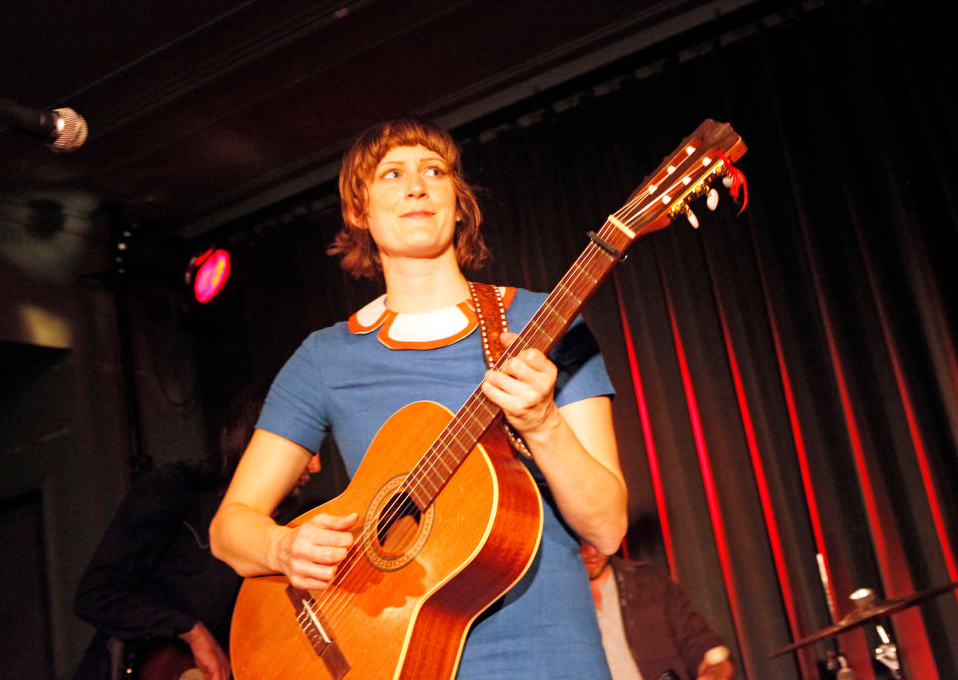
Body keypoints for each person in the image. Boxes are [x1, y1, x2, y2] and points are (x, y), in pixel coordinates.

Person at [209, 116, 628, 677]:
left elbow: (608, 527)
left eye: (435, 170)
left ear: (458, 202)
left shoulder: (544, 324)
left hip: (548, 654)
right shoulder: (324, 358)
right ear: (358, 211)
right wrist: (282, 550)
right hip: (384, 656)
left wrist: (543, 424)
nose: (416, 186)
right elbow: (229, 529)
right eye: (391, 174)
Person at [73, 381, 321, 680]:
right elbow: (96, 594)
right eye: (306, 445)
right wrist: (190, 629)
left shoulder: (299, 523)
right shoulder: (175, 488)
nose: (317, 464)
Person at [579, 540, 734, 680]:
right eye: (582, 541)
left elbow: (704, 646)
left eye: (595, 538)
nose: (593, 551)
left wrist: (713, 673)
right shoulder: (556, 601)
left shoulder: (649, 582)